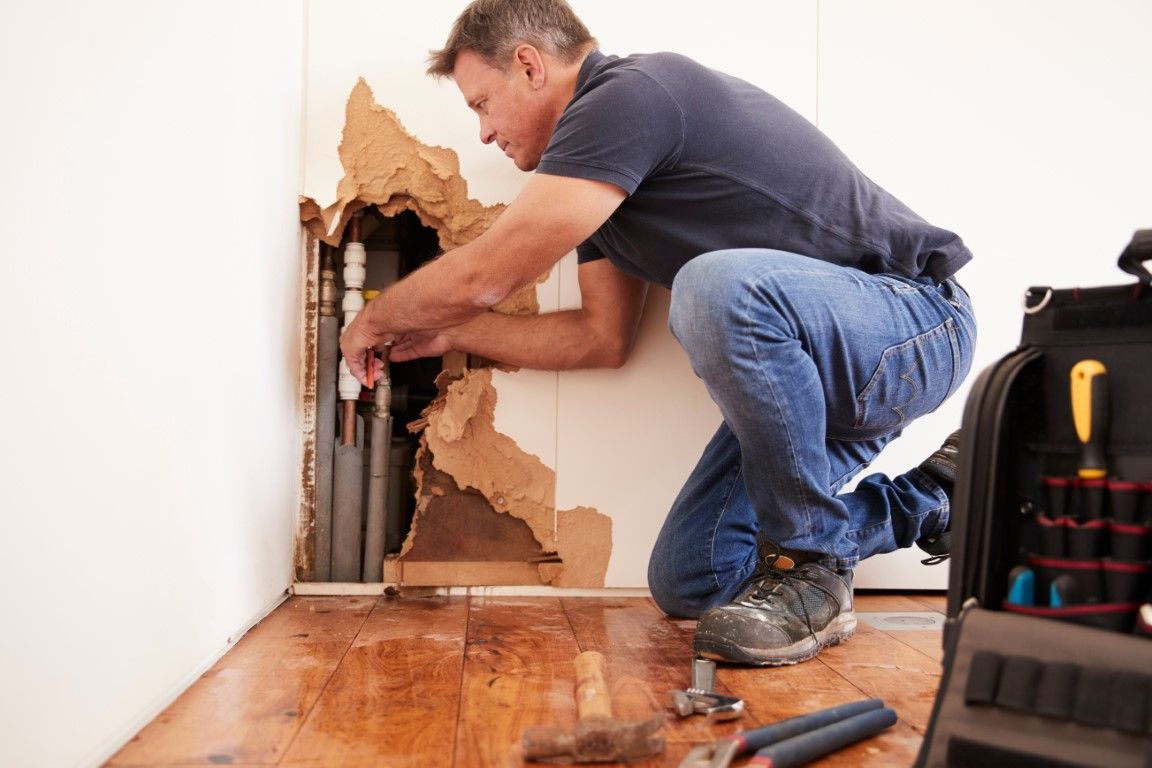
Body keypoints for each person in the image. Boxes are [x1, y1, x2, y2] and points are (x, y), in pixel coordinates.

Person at [340, 0, 976, 666]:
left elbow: (488, 275)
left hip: (913, 324)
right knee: (694, 575)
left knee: (716, 287)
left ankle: (809, 568)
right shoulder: (600, 193)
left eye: (481, 104)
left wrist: (378, 319)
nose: (483, 133)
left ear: (528, 65)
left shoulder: (631, 95)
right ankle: (930, 499)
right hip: (810, 381)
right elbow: (598, 338)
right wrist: (454, 335)